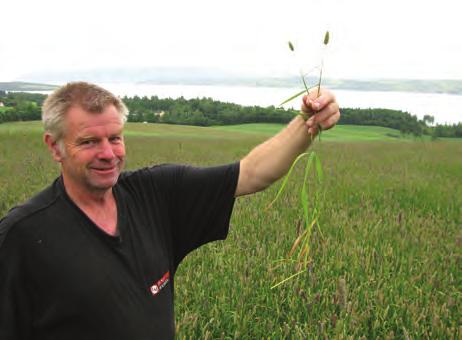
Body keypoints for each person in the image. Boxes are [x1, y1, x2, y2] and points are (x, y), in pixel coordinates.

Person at [0, 82, 340, 339]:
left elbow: (251, 173)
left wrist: (306, 121)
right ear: (54, 147)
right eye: (89, 142)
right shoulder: (22, 237)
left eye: (115, 138)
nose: (108, 153)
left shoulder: (157, 195)